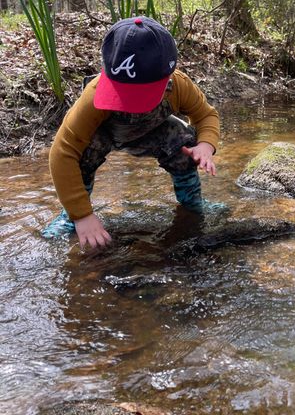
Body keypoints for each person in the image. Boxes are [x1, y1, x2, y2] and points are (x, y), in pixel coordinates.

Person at [42, 16, 220, 249]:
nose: (130, 104)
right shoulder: (93, 97)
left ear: (167, 77)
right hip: (104, 136)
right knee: (81, 151)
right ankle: (69, 216)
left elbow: (206, 115)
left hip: (152, 134)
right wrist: (82, 216)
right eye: (122, 93)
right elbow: (62, 152)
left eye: (139, 96)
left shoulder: (179, 86)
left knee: (184, 139)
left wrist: (206, 146)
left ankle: (193, 203)